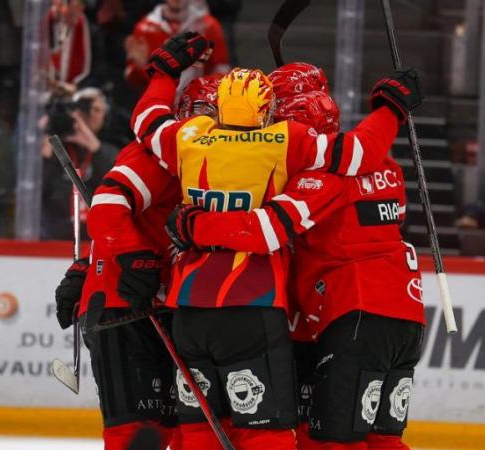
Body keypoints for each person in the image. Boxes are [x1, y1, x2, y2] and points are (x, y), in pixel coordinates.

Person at [131, 32, 421, 449]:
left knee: (202, 432)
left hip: (201, 305)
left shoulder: (190, 138)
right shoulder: (351, 159)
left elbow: (146, 121)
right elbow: (360, 151)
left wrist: (163, 71)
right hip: (376, 309)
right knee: (347, 437)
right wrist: (391, 109)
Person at [54, 76, 221, 450]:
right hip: (123, 308)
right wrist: (106, 264)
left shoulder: (218, 161)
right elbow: (110, 207)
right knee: (137, 434)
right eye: (207, 115)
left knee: (180, 428)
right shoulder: (159, 154)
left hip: (165, 306)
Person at [41, 88, 119, 240]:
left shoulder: (109, 151)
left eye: (97, 109)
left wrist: (95, 148)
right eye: (85, 107)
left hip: (96, 238)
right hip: (54, 238)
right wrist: (47, 140)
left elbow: (116, 184)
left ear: (106, 117)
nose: (91, 115)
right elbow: (39, 191)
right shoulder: (54, 151)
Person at [124, 0, 229, 91]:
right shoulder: (144, 28)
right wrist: (140, 68)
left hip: (197, 105)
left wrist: (202, 90)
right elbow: (132, 82)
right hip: (159, 101)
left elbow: (221, 70)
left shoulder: (207, 26)